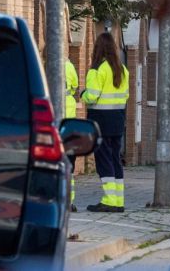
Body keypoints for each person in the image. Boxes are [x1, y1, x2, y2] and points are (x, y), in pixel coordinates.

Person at [82, 33, 130, 213]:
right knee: (115, 158)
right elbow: (125, 96)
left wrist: (82, 95)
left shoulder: (97, 69)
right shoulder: (122, 69)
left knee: (103, 159)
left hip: (100, 120)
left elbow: (92, 96)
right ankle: (118, 200)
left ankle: (109, 200)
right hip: (118, 119)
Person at [65, 58, 79, 212]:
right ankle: (69, 200)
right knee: (69, 162)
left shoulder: (46, 66)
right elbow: (75, 86)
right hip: (69, 120)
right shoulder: (69, 65)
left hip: (55, 121)